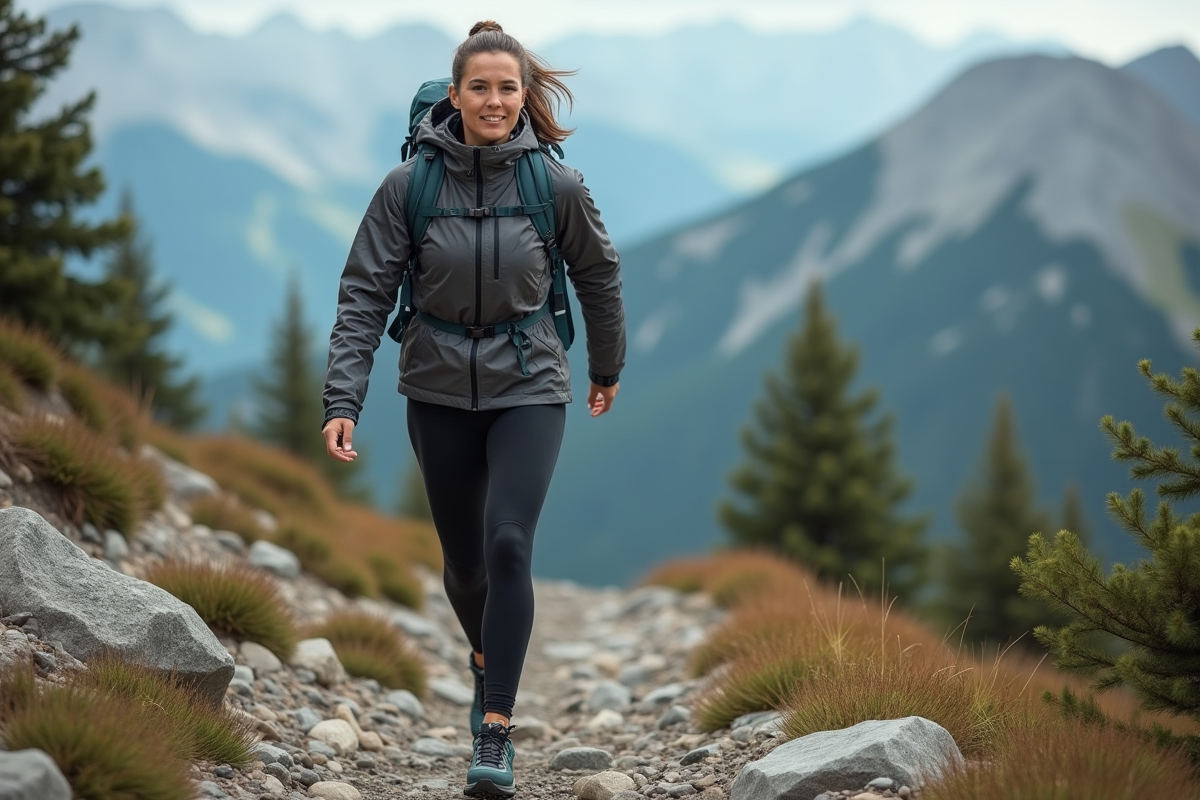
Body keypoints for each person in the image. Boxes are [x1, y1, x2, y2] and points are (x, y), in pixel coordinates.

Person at [320, 19, 625, 799]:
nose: (495, 100)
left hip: (531, 382)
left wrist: (606, 364)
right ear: (454, 96)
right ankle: (486, 655)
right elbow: (364, 294)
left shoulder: (553, 185)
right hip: (436, 388)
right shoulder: (409, 186)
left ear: (527, 96)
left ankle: (495, 729)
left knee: (511, 545)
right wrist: (343, 396)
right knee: (464, 564)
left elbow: (598, 274)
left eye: (508, 87)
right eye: (480, 87)